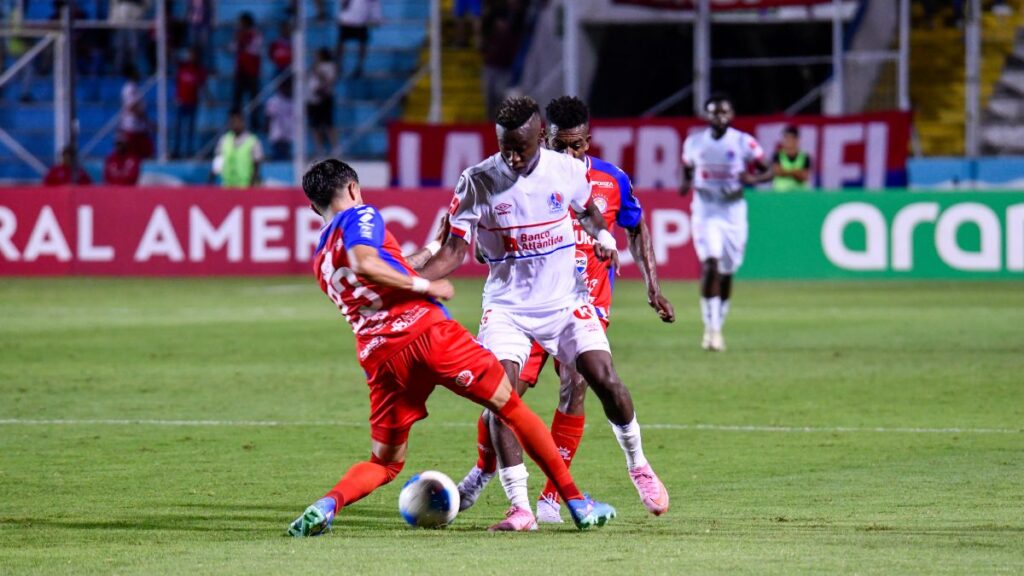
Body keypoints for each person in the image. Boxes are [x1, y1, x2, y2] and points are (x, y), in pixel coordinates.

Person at [286, 159, 617, 537]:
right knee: (509, 405)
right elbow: (367, 263)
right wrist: (426, 288)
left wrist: (431, 248)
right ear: (352, 189)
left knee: (386, 462)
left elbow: (386, 268)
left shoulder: (321, 259)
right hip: (428, 335)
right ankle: (576, 503)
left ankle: (326, 505)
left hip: (382, 360)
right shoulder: (360, 214)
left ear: (314, 207)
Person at [418, 96, 669, 531]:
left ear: (539, 138)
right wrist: (414, 276)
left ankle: (638, 464)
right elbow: (456, 251)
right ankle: (520, 507)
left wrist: (603, 236)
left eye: (521, 147)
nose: (512, 156)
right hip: (508, 309)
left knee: (603, 380)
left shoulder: (569, 171)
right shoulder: (477, 180)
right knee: (502, 398)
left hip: (566, 302)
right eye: (505, 147)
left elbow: (589, 213)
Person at [680, 94, 772, 352]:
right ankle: (711, 329)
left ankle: (718, 322)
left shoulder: (743, 142)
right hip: (705, 210)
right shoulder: (694, 143)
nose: (719, 117)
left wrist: (753, 180)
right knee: (710, 263)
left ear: (731, 115)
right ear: (707, 115)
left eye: (724, 112)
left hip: (733, 212)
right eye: (714, 113)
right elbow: (687, 167)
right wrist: (686, 182)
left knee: (728, 270)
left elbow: (768, 169)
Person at [211, 111, 263, 188]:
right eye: (232, 122)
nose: (234, 124)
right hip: (227, 186)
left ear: (243, 122)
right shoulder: (224, 140)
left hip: (245, 186)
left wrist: (252, 183)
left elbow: (257, 164)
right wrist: (211, 179)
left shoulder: (252, 141)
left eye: (237, 121)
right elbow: (218, 161)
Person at [230, 12, 263, 128]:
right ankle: (235, 123)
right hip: (241, 71)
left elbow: (255, 50)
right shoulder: (239, 34)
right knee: (237, 100)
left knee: (254, 99)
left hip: (252, 72)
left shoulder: (256, 34)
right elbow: (232, 48)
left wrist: (242, 43)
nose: (239, 24)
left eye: (241, 22)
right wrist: (238, 42)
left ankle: (255, 123)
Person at [172, 48, 207, 158]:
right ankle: (176, 151)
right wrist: (176, 97)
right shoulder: (181, 68)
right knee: (178, 128)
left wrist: (209, 98)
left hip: (192, 103)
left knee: (190, 129)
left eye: (193, 55)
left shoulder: (198, 71)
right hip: (181, 102)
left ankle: (189, 151)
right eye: (189, 55)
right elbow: (177, 83)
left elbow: (202, 86)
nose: (191, 57)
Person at [336, 0, 381, 79]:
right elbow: (343, 4)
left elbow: (375, 4)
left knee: (362, 44)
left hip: (361, 20)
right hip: (348, 19)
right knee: (341, 43)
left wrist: (376, 18)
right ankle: (339, 65)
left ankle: (360, 66)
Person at [307, 48, 337, 157]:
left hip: (324, 97)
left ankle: (335, 148)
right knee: (315, 125)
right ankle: (319, 149)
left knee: (328, 124)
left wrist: (319, 72)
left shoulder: (329, 66)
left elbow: (329, 81)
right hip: (313, 98)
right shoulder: (314, 66)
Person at [118, 65, 154, 159]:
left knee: (147, 153)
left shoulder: (135, 87)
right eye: (136, 72)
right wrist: (147, 120)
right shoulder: (129, 88)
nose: (139, 74)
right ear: (132, 74)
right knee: (134, 155)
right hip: (132, 127)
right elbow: (131, 107)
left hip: (139, 127)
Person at [771, 125, 812, 191]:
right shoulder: (777, 155)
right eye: (786, 137)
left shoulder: (805, 157)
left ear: (797, 139)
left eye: (791, 138)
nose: (788, 140)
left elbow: (804, 176)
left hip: (799, 195)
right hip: (780, 195)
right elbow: (777, 171)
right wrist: (796, 172)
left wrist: (784, 171)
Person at [264, 82, 294, 161]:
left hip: (287, 135)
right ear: (280, 89)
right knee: (277, 158)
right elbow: (268, 116)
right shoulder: (273, 101)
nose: (287, 90)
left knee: (285, 158)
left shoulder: (291, 102)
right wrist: (267, 129)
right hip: (276, 134)